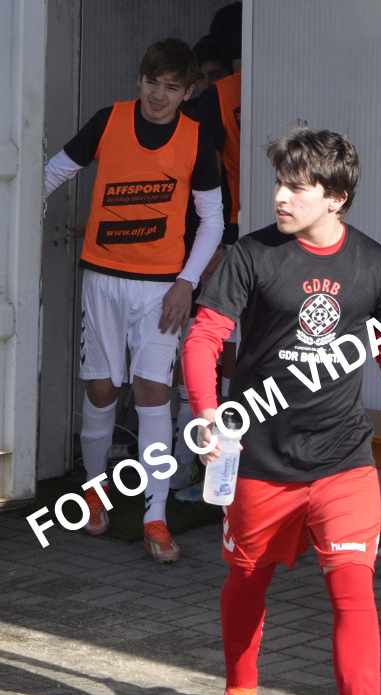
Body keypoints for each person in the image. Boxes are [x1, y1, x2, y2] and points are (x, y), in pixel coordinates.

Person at [181, 128, 381, 695]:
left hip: (343, 461)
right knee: (247, 582)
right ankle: (239, 691)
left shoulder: (375, 266)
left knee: (354, 594)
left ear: (336, 197)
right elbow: (204, 338)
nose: (280, 196)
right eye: (280, 182)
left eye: (297, 186)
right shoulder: (250, 256)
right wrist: (207, 413)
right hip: (260, 462)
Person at [44, 38, 224, 562]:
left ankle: (155, 517)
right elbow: (52, 173)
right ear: (139, 80)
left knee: (153, 393)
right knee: (101, 389)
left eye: (171, 87)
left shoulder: (196, 139)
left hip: (161, 287)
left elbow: (212, 221)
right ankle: (94, 491)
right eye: (151, 83)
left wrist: (186, 282)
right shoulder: (109, 120)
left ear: (188, 92)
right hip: (102, 278)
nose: (158, 95)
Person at [171, 3, 243, 498]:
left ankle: (200, 472)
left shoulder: (217, 99)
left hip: (228, 240)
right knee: (213, 356)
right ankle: (197, 471)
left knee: (209, 355)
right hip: (232, 238)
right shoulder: (220, 97)